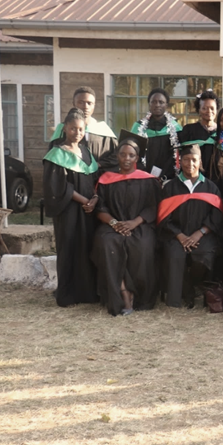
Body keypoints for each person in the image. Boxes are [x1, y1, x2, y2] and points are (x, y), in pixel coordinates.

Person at [92, 131, 160, 316]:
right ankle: (122, 293)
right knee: (107, 244)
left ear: (137, 157)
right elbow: (100, 209)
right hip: (112, 226)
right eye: (122, 154)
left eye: (131, 155)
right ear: (117, 156)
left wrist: (134, 223)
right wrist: (114, 223)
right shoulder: (106, 179)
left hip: (139, 225)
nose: (126, 158)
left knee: (143, 245)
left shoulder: (148, 180)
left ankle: (139, 295)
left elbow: (153, 208)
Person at [42, 108, 99, 307]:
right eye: (73, 128)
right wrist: (85, 201)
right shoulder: (56, 154)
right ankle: (67, 294)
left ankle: (87, 292)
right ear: (65, 128)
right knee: (69, 248)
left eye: (81, 129)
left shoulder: (86, 152)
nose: (77, 132)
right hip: (68, 211)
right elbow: (59, 187)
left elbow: (95, 179)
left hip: (88, 211)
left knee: (86, 248)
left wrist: (95, 199)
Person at [157, 144, 223, 309]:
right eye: (186, 160)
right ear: (180, 162)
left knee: (203, 257)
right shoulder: (171, 187)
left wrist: (200, 232)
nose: (190, 164)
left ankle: (193, 287)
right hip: (175, 235)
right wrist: (179, 235)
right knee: (175, 255)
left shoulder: (210, 187)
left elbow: (217, 215)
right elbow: (164, 216)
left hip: (203, 235)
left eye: (194, 160)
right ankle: (182, 295)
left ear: (200, 161)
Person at [49, 87, 118, 170]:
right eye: (80, 102)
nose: (85, 107)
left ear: (94, 105)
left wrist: (99, 164)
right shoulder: (63, 129)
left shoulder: (103, 130)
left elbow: (116, 156)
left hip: (98, 178)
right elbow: (54, 159)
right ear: (73, 104)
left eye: (89, 103)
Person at [132, 88, 181, 181]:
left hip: (169, 178)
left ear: (166, 105)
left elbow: (179, 155)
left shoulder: (175, 128)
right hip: (144, 178)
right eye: (153, 102)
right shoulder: (138, 128)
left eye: (161, 102)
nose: (157, 105)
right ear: (149, 104)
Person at [178, 90, 219, 176]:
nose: (209, 111)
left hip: (217, 178)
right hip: (194, 177)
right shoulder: (189, 130)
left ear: (217, 109)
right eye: (204, 108)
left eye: (212, 108)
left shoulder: (221, 132)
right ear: (199, 110)